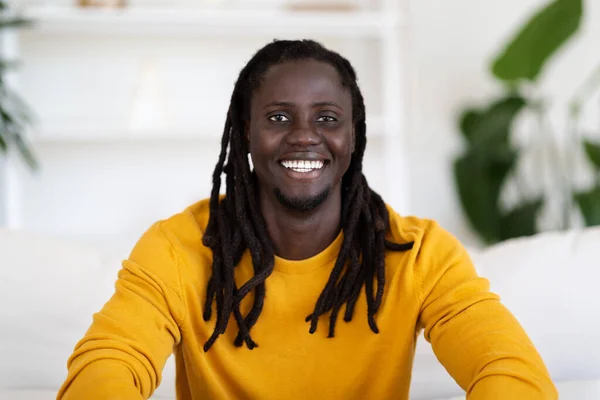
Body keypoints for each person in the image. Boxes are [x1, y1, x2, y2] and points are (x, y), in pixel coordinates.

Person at [57, 39, 557, 400]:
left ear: (354, 136)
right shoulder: (177, 247)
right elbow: (106, 366)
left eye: (327, 118)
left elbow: (513, 372)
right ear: (245, 134)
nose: (304, 136)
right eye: (278, 118)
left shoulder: (417, 253)